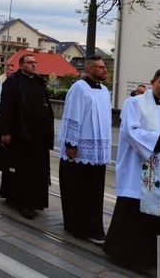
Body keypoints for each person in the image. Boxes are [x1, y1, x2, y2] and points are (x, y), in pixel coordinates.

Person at [103, 68, 160, 270]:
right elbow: (131, 132)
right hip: (138, 169)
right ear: (152, 82)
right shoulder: (134, 103)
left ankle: (153, 257)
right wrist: (159, 138)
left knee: (159, 216)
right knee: (134, 214)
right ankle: (125, 254)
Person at [57, 55, 111, 244]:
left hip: (97, 151)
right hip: (79, 150)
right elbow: (73, 115)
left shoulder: (104, 90)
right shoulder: (79, 88)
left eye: (105, 67)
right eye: (101, 67)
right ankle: (79, 227)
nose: (105, 70)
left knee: (94, 191)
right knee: (79, 190)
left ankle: (93, 226)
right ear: (89, 69)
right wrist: (71, 143)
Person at [0, 54, 54, 219]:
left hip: (40, 135)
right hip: (22, 133)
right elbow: (6, 107)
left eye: (35, 62)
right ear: (21, 65)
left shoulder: (38, 81)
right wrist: (6, 131)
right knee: (24, 169)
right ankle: (24, 203)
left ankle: (36, 201)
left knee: (39, 170)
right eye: (30, 63)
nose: (34, 65)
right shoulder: (13, 82)